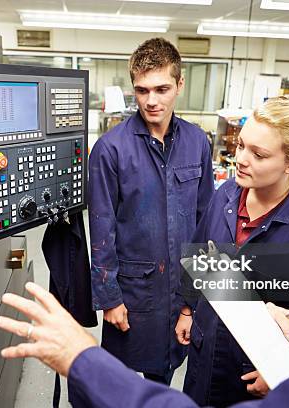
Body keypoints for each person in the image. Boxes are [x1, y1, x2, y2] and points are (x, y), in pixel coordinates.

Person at [0, 0, 289, 406]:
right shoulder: (228, 201)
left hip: (242, 368)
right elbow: (234, 279)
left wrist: (82, 358)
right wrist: (276, 330)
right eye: (240, 147)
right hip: (198, 344)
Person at [177, 97, 289, 407]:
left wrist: (287, 368)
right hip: (205, 355)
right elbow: (200, 255)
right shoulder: (226, 195)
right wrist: (188, 309)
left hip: (255, 375)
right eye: (242, 146)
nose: (242, 159)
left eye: (258, 154)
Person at [88, 37, 214, 384]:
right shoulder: (109, 150)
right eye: (142, 90)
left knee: (163, 377)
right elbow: (101, 229)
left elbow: (206, 225)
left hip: (180, 292)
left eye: (162, 89)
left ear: (180, 84)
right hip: (134, 292)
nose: (151, 101)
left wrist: (192, 304)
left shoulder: (197, 142)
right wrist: (110, 299)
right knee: (118, 382)